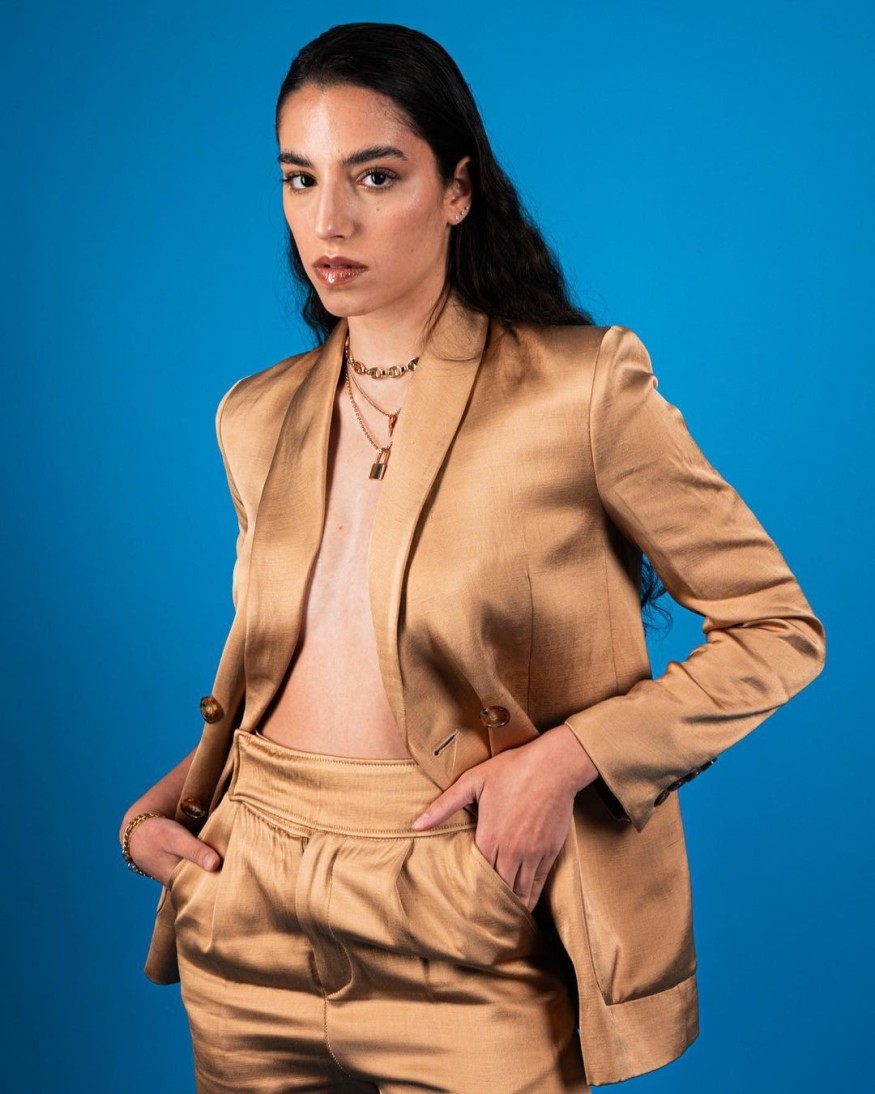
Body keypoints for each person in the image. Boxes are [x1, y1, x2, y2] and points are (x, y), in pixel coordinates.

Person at [119, 21, 827, 1093]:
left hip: (461, 901)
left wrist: (564, 761)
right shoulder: (254, 416)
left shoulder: (580, 388)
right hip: (245, 904)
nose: (328, 220)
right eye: (300, 179)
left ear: (456, 189)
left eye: (375, 176)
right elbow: (300, 665)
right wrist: (159, 811)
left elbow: (776, 628)